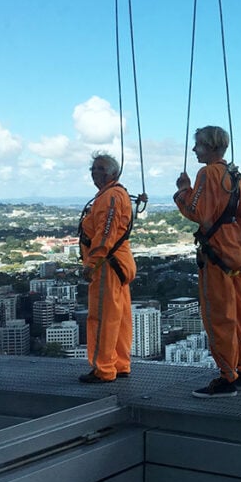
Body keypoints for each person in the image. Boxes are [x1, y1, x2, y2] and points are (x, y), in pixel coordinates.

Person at [175, 126, 241, 398]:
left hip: (215, 255)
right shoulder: (234, 175)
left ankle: (227, 377)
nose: (194, 150)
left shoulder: (208, 173)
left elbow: (196, 211)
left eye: (198, 145)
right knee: (238, 315)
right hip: (234, 254)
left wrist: (182, 191)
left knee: (218, 318)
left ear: (211, 147)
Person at [78, 153, 138, 383]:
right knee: (119, 317)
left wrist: (93, 262)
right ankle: (120, 364)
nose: (95, 173)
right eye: (93, 169)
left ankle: (103, 369)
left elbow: (106, 231)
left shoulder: (111, 196)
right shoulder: (114, 194)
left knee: (102, 317)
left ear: (113, 172)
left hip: (107, 264)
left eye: (101, 169)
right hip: (117, 262)